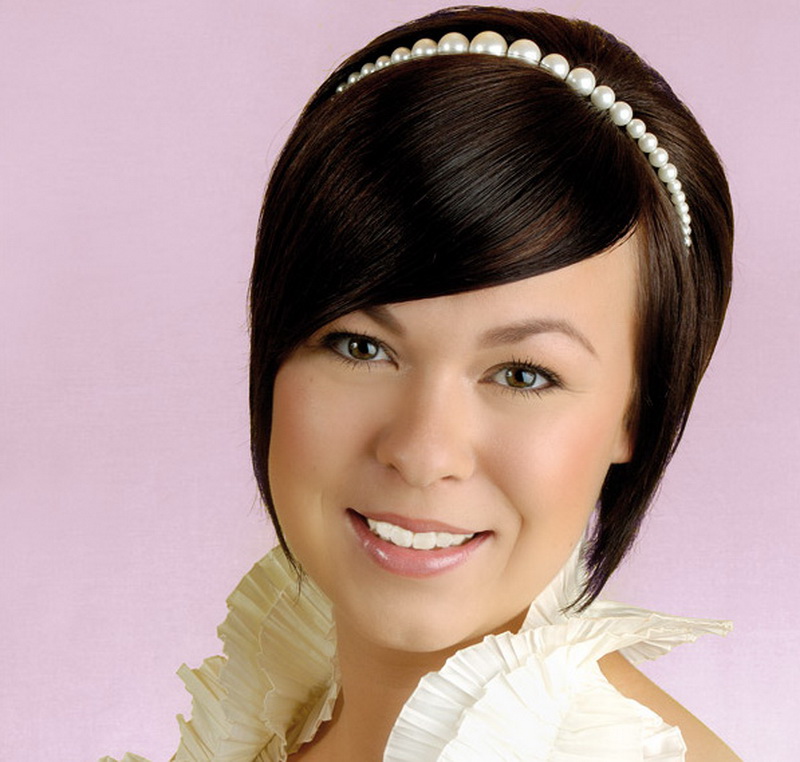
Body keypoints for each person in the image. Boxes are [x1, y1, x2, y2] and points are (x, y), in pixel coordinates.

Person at [104, 6, 739, 761]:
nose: (422, 451)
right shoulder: (274, 717)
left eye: (523, 374)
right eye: (361, 347)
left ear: (638, 411)